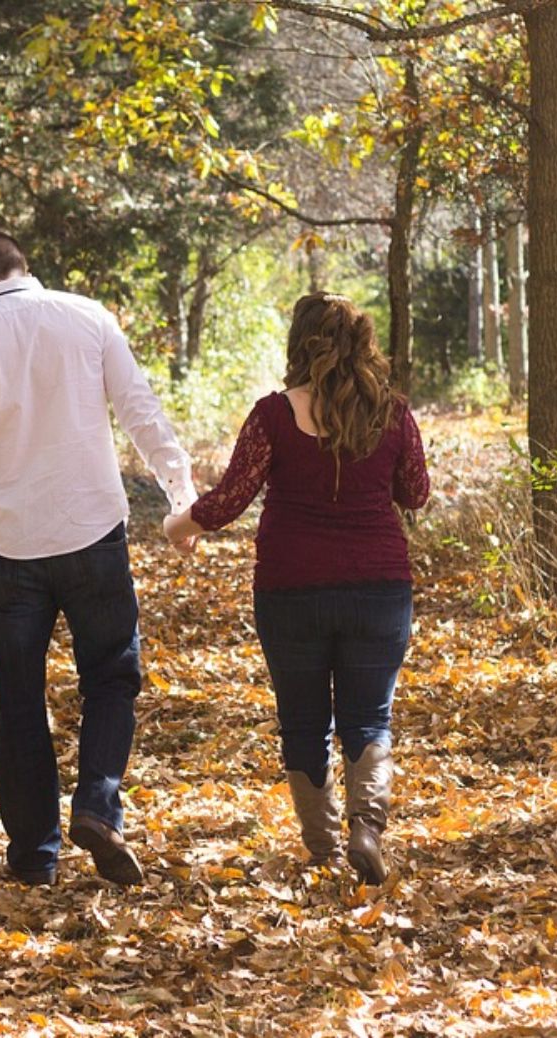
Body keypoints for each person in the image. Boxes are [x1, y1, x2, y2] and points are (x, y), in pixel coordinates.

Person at [0, 230, 196, 887]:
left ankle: (35, 857)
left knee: (17, 700)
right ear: (23, 269)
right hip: (92, 533)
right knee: (112, 676)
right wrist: (184, 497)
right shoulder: (88, 317)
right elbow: (141, 413)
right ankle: (97, 803)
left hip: (9, 549)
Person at [163, 292, 428, 885]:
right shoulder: (391, 412)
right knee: (370, 719)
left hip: (291, 589)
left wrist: (175, 525)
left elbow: (230, 500)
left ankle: (324, 848)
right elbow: (415, 493)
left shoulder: (274, 415)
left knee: (304, 721)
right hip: (378, 588)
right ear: (362, 343)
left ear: (299, 343)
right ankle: (367, 826)